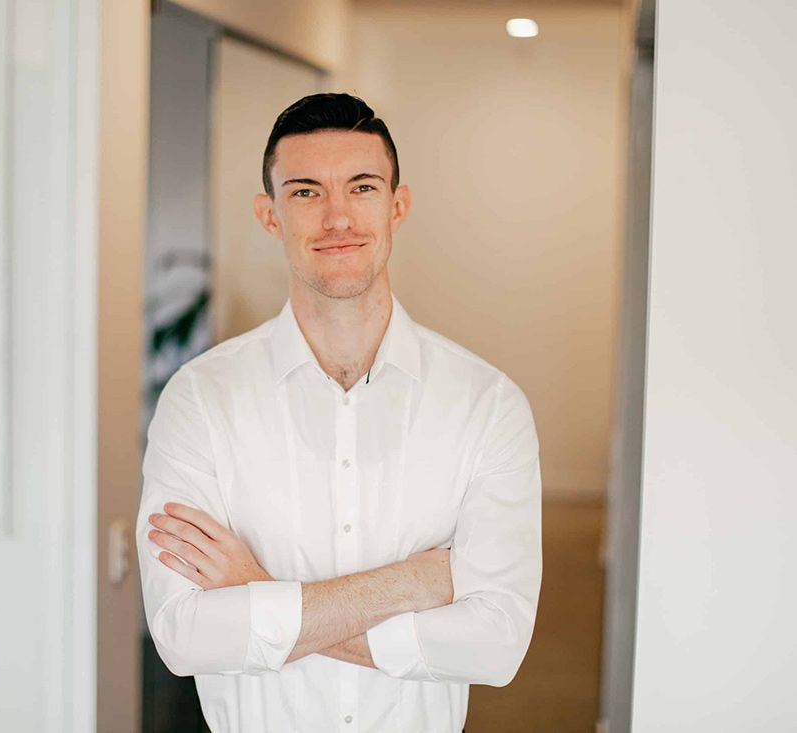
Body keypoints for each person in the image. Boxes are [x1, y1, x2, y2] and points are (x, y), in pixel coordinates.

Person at [136, 93, 541, 733]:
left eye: (362, 187)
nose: (337, 217)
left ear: (397, 205)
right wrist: (410, 585)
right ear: (269, 215)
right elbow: (184, 636)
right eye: (305, 193)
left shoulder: (487, 405)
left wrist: (258, 591)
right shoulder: (201, 400)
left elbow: (496, 646)